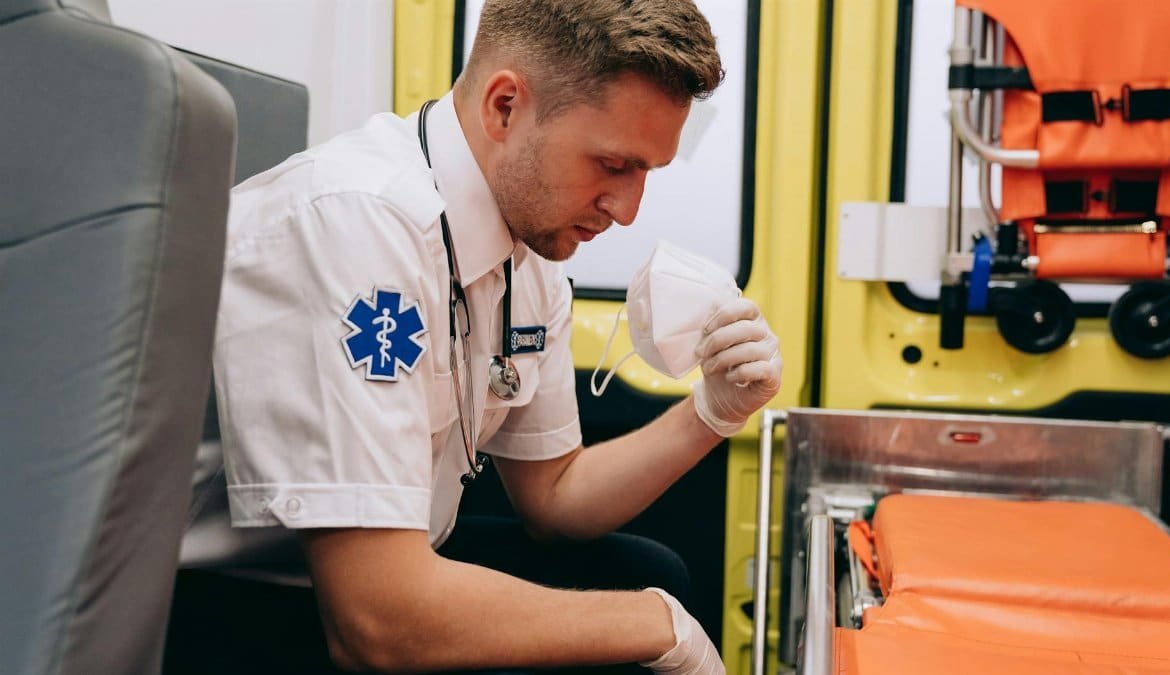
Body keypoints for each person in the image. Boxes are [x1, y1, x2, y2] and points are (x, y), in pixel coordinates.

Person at [212, 0, 783, 672]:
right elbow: (376, 621)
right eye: (613, 165)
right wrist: (659, 626)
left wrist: (713, 411)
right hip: (240, 601)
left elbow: (555, 497)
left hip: (384, 569)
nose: (628, 212)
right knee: (640, 616)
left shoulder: (531, 253)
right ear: (505, 106)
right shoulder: (360, 225)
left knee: (648, 569)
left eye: (646, 174)